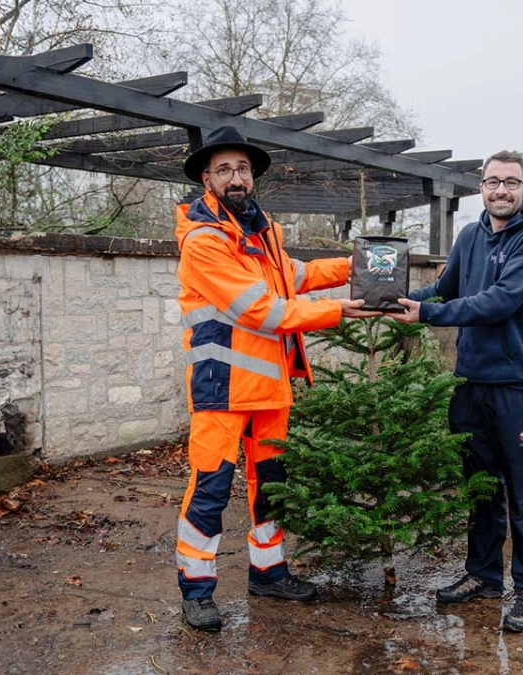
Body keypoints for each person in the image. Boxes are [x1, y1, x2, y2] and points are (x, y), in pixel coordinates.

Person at [173, 125, 376, 632]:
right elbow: (259, 308)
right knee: (211, 487)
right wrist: (338, 311)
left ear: (253, 177)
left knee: (272, 487)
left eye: (242, 168)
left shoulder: (261, 231)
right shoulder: (204, 241)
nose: (235, 177)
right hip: (221, 387)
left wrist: (356, 266)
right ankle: (196, 590)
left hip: (268, 388)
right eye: (224, 170)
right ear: (207, 179)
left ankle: (269, 572)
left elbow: (295, 276)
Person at [389, 150, 523, 632]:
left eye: (511, 182)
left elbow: (501, 301)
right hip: (471, 384)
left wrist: (429, 316)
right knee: (480, 487)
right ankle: (483, 575)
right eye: (492, 182)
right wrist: (396, 302)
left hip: (519, 387)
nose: (500, 190)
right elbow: (445, 288)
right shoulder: (470, 235)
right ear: (480, 187)